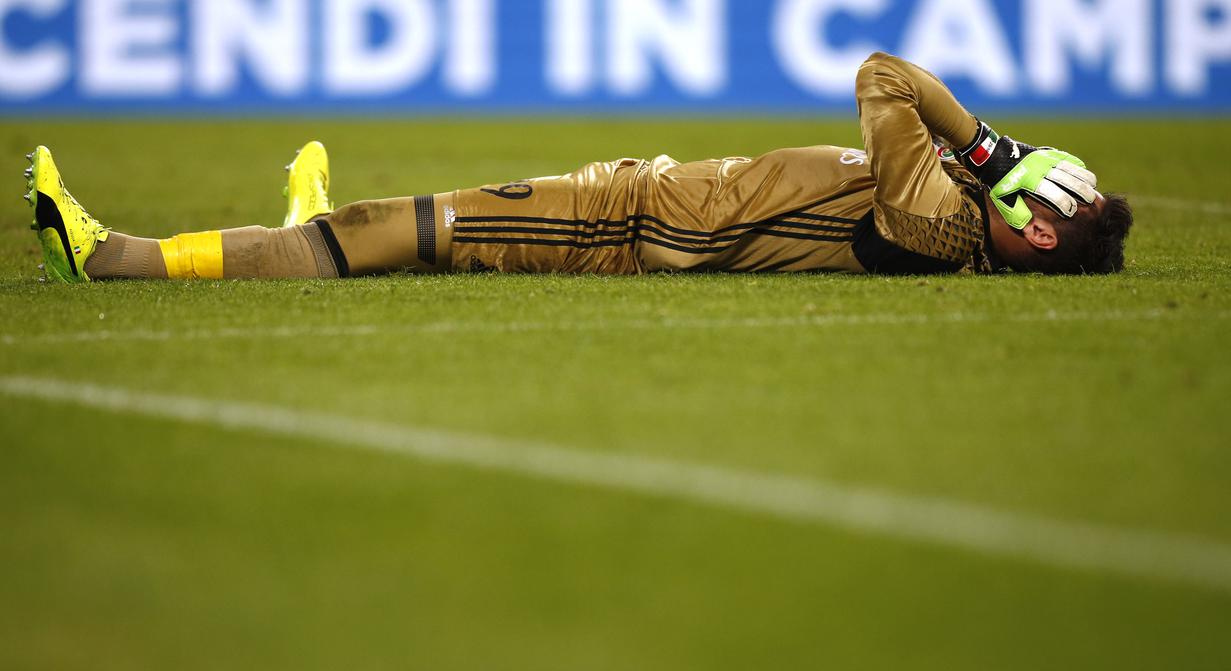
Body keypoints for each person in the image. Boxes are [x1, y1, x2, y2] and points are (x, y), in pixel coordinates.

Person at [23, 53, 1131, 284]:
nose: (1010, 170)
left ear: (1032, 226)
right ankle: (292, 224)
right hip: (647, 199)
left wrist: (985, 146)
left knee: (375, 227)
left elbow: (886, 75)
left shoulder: (937, 217)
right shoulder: (945, 220)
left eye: (1033, 182)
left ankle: (111, 257)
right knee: (382, 222)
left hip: (638, 225)